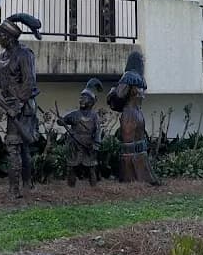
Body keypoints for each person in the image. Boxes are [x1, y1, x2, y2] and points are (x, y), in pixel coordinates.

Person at [0, 13, 41, 198]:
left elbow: (29, 84)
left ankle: (15, 189)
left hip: (24, 108)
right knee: (21, 147)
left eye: (0, 34)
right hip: (11, 105)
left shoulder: (25, 54)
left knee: (14, 146)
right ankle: (27, 183)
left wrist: (18, 104)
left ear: (9, 37)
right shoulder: (2, 56)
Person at [107, 50, 159, 184]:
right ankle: (141, 176)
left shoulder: (128, 76)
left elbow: (119, 95)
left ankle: (131, 177)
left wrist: (112, 93)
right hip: (138, 114)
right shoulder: (141, 79)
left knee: (129, 145)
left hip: (129, 113)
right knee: (138, 144)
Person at [57, 78, 103, 187]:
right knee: (72, 167)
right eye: (81, 97)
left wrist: (96, 144)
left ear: (91, 101)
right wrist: (61, 121)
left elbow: (98, 130)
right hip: (75, 145)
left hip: (88, 145)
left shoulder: (94, 116)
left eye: (85, 98)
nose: (81, 100)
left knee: (91, 167)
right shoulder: (74, 114)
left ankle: (94, 188)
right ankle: (71, 187)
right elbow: (63, 121)